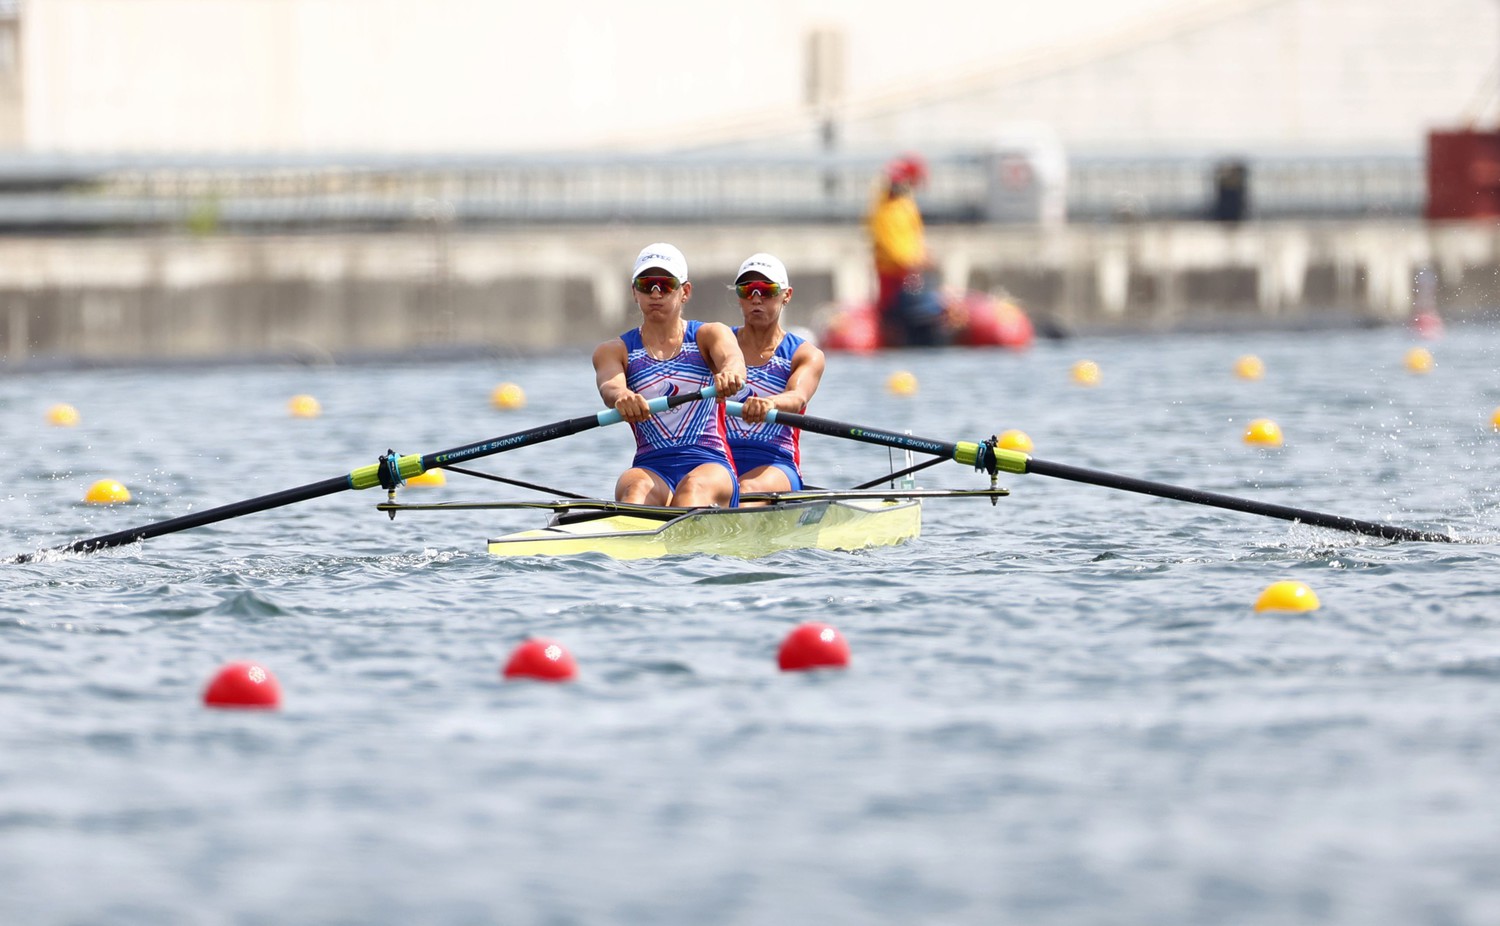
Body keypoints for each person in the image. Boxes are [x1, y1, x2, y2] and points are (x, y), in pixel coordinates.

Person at [593, 242, 748, 508]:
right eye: (646, 285)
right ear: (634, 292)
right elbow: (610, 387)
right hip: (652, 468)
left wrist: (731, 374)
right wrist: (623, 397)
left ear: (684, 291)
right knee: (633, 488)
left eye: (665, 285)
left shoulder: (708, 335)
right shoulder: (613, 351)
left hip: (710, 465)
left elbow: (733, 360)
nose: (655, 293)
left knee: (692, 489)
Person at [726, 253, 826, 499]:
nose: (756, 298)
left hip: (776, 463)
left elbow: (797, 397)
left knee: (744, 490)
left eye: (766, 290)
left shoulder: (804, 354)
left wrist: (770, 403)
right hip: (719, 458)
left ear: (786, 295)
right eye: (747, 290)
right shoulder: (721, 344)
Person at [866, 153, 950, 347]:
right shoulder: (886, 210)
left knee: (927, 315)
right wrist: (918, 260)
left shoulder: (904, 206)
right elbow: (895, 252)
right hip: (898, 280)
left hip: (912, 278)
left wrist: (922, 257)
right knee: (917, 316)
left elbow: (914, 240)